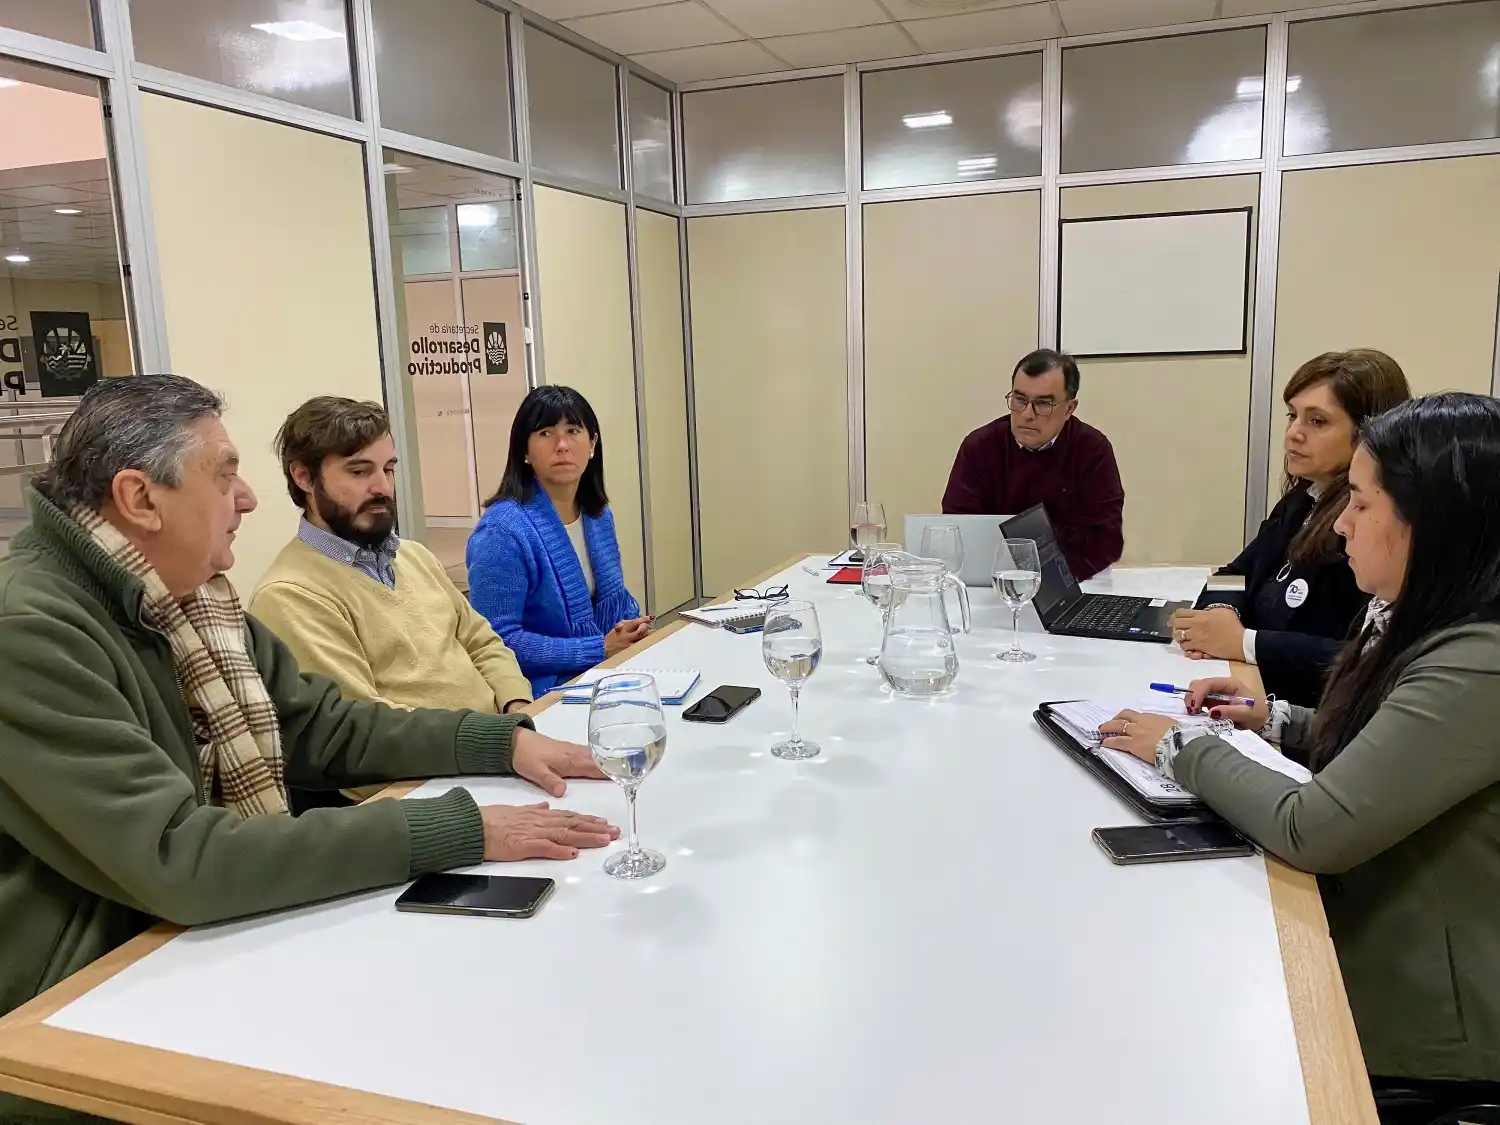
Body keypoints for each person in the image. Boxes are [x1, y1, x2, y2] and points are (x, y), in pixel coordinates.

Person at [0, 375, 619, 1102]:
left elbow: (324, 725)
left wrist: (498, 741)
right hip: (81, 1014)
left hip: (196, 943)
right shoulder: (31, 630)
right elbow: (181, 858)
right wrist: (457, 828)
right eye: (225, 474)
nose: (249, 499)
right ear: (140, 498)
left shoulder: (191, 596)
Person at [1100, 393, 1500, 1124]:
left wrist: (1178, 745)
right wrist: (1278, 718)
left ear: (1431, 527)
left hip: (1430, 1035)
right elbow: (1399, 743)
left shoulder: (1479, 660)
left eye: (1364, 504)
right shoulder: (1436, 621)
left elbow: (1313, 826)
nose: (1342, 522)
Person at [249, 397, 535, 808]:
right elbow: (366, 742)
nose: (382, 487)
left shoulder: (414, 557)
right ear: (304, 478)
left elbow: (482, 642)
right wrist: (497, 751)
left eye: (388, 469)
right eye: (359, 471)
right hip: (425, 796)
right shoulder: (291, 595)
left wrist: (517, 708)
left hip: (496, 758)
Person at [1171, 350, 1411, 706]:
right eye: (1292, 415)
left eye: (1317, 422)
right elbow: (1235, 573)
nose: (1294, 434)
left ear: (1368, 434)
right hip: (1257, 696)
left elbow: (1365, 657)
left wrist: (1244, 643)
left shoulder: (1374, 529)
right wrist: (1222, 613)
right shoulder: (1301, 500)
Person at [466, 385, 649, 696]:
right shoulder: (501, 533)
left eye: (573, 430)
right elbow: (496, 641)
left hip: (605, 673)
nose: (562, 445)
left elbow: (616, 603)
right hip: (543, 689)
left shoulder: (597, 515)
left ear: (592, 444)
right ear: (524, 450)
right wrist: (599, 647)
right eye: (546, 433)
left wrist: (633, 629)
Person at [941, 348, 1123, 580]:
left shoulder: (1092, 450)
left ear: (1069, 408)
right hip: (994, 583)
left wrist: (1050, 583)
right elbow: (959, 530)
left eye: (1043, 404)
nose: (1027, 414)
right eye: (1019, 400)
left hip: (1073, 582)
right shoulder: (979, 447)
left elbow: (1106, 541)